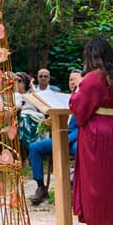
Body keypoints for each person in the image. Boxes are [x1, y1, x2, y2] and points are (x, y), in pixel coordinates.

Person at [69, 37, 113, 225]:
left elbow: (79, 109)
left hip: (95, 131)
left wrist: (76, 89)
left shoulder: (90, 79)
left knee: (96, 183)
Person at [28, 69, 81, 205]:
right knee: (35, 147)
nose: (72, 82)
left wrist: (68, 139)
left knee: (81, 151)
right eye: (70, 79)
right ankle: (41, 186)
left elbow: (82, 126)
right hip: (60, 135)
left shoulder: (83, 99)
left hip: (75, 139)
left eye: (75, 79)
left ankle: (77, 187)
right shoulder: (63, 99)